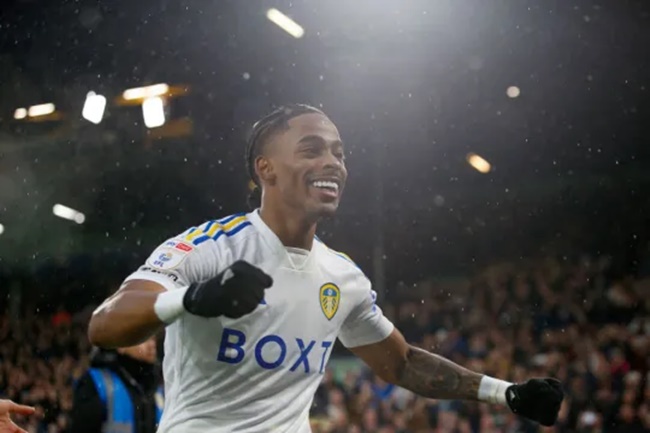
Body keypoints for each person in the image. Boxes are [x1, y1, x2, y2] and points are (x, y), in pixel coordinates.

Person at [88, 104, 564, 432]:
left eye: (338, 152)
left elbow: (401, 363)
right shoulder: (210, 247)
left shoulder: (343, 276)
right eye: (312, 149)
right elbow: (104, 326)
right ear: (266, 170)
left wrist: (506, 393)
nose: (332, 162)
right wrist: (190, 299)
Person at [69, 337, 164, 433]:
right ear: (121, 346)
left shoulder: (157, 389)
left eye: (153, 339)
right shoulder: (96, 382)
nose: (151, 345)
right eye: (143, 338)